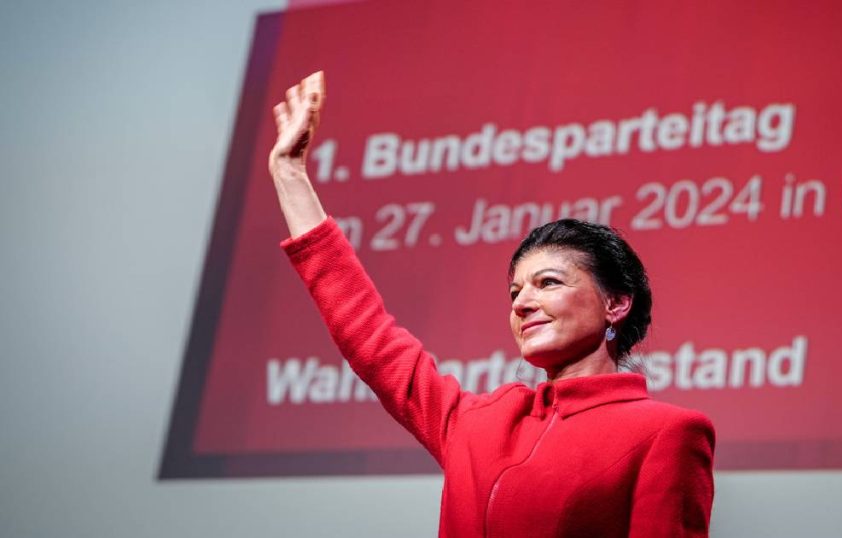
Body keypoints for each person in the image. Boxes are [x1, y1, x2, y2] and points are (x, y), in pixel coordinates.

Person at [269, 71, 715, 537]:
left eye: (548, 283)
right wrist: (289, 173)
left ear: (616, 304)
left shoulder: (667, 433)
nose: (523, 304)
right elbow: (367, 332)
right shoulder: (478, 424)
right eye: (515, 293)